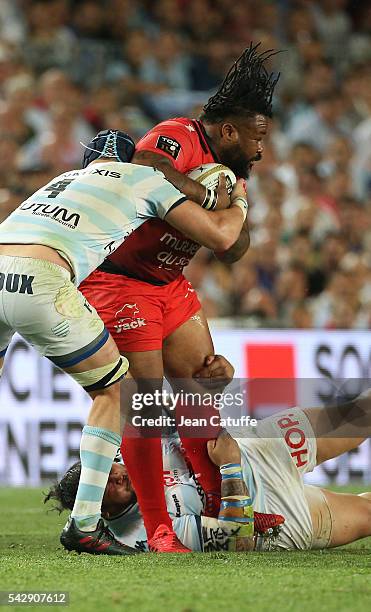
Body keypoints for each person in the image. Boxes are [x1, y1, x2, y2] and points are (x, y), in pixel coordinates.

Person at [0, 129, 247, 554]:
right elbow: (221, 236)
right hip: (41, 279)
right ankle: (84, 525)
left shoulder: (60, 182)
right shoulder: (140, 178)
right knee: (119, 393)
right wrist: (239, 195)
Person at [78, 42, 281, 545]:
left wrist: (232, 202)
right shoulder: (178, 135)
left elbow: (233, 250)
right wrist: (205, 194)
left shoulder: (234, 175)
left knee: (200, 389)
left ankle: (223, 506)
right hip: (121, 280)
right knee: (143, 404)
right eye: (256, 138)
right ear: (228, 130)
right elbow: (145, 171)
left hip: (170, 284)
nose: (260, 150)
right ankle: (159, 527)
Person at [47, 392, 371, 552]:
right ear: (101, 509)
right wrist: (230, 468)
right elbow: (238, 537)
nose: (118, 476)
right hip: (276, 512)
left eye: (110, 470)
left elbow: (164, 411)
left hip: (258, 449)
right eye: (110, 487)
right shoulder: (145, 534)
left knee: (359, 416)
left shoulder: (121, 449)